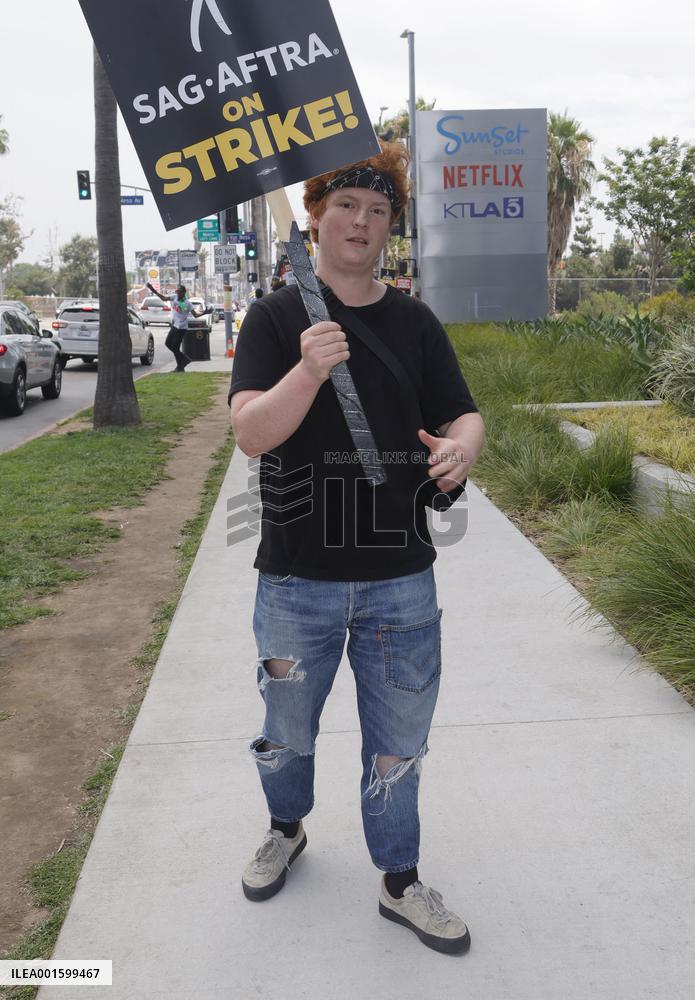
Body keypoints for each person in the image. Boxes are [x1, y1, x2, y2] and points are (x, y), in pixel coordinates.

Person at [228, 141, 485, 955]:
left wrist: (464, 446)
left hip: (399, 575)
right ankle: (285, 828)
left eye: (378, 212)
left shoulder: (412, 320)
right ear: (315, 216)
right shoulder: (273, 319)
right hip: (297, 574)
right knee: (287, 729)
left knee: (398, 743)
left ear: (389, 230)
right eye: (347, 206)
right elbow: (248, 435)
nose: (362, 223)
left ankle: (399, 881)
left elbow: (460, 411)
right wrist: (306, 371)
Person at [145, 282, 207, 371]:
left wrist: (204, 312)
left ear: (183, 293)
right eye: (177, 291)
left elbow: (195, 315)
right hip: (175, 325)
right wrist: (152, 289)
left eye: (179, 292)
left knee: (175, 347)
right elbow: (163, 298)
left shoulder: (187, 303)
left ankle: (180, 366)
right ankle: (185, 359)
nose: (177, 293)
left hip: (182, 327)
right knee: (168, 343)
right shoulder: (174, 297)